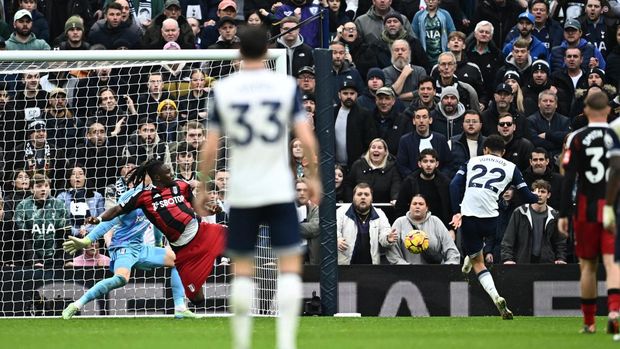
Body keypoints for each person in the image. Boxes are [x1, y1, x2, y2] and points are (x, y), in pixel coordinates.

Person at [195, 25, 321, 349]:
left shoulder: (223, 89)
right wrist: (314, 176)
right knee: (290, 267)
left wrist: (203, 187)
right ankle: (286, 343)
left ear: (239, 51)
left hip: (242, 191)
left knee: (242, 269)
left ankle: (241, 343)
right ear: (267, 52)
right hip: (279, 188)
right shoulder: (284, 85)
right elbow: (305, 137)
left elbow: (210, 147)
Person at [61, 179, 200, 319]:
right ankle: (76, 305)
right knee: (121, 279)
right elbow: (109, 221)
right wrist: (87, 240)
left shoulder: (156, 198)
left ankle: (180, 308)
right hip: (123, 246)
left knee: (179, 260)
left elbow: (158, 222)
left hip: (139, 247)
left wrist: (158, 244)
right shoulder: (130, 197)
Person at [450, 134, 539, 320]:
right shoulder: (511, 167)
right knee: (478, 249)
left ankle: (496, 296)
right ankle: (471, 257)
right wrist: (537, 197)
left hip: (469, 217)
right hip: (491, 220)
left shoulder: (472, 161)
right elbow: (527, 196)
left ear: (485, 150)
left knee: (478, 262)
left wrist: (456, 210)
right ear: (504, 152)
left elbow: (454, 184)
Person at [559, 91, 620, 334]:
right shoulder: (615, 135)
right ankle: (615, 311)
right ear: (608, 110)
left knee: (588, 266)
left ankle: (589, 322)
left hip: (586, 207)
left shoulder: (577, 137)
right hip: (613, 208)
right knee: (613, 262)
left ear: (585, 111)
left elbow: (568, 177)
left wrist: (563, 213)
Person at [501, 179, 567, 264]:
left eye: (542, 192)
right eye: (536, 191)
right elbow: (508, 239)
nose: (539, 194)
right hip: (522, 262)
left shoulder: (554, 215)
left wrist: (561, 258)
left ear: (548, 195)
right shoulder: (520, 212)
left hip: (546, 263)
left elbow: (560, 242)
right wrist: (507, 259)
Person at [14, 174, 71, 268]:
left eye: (46, 186)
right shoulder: (22, 207)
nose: (43, 189)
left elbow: (66, 235)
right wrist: (34, 260)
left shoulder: (59, 205)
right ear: (32, 189)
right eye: (39, 186)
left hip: (57, 259)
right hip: (30, 261)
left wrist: (68, 259)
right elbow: (24, 238)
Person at [386, 194, 460, 265]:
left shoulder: (435, 221)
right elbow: (393, 253)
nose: (417, 206)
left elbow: (451, 249)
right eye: (414, 204)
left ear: (427, 207)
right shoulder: (399, 222)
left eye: (421, 204)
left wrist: (448, 267)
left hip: (434, 272)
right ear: (410, 206)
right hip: (405, 273)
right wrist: (407, 268)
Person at [336, 183, 391, 265]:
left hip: (371, 267)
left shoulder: (380, 214)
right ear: (353, 197)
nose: (363, 197)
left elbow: (385, 234)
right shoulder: (341, 211)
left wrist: (388, 238)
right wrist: (337, 239)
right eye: (359, 194)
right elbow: (333, 230)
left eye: (366, 194)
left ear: (371, 198)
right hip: (346, 266)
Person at [345, 138, 401, 204]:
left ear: (385, 152)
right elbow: (348, 184)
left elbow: (396, 185)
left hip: (384, 207)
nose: (376, 150)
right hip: (359, 207)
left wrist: (395, 198)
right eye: (373, 147)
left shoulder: (393, 168)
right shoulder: (358, 165)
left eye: (380, 148)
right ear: (369, 150)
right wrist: (351, 201)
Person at [296, 179, 320, 265]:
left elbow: (315, 228)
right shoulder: (286, 210)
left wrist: (291, 226)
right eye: (298, 190)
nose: (302, 193)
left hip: (311, 260)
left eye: (305, 190)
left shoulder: (315, 209)